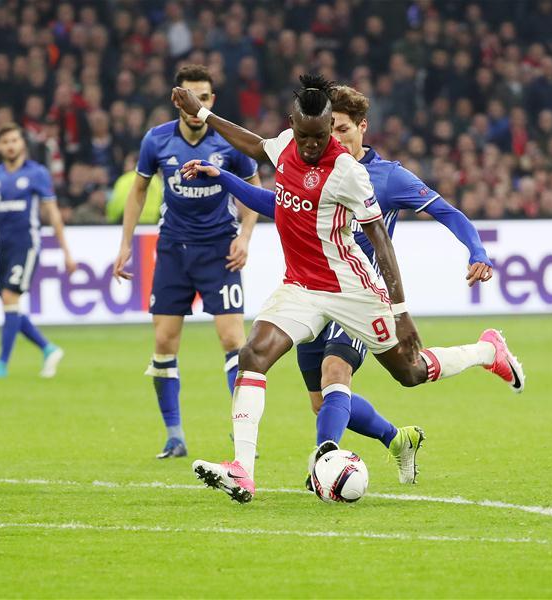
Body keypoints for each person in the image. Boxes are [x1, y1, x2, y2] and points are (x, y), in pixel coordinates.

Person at [173, 73, 524, 504]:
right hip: (301, 287)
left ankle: (487, 351)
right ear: (293, 125)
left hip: (352, 290)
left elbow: (380, 238)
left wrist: (401, 311)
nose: (312, 146)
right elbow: (257, 151)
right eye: (306, 136)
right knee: (254, 354)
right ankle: (242, 470)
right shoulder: (286, 145)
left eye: (324, 135)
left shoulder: (350, 173)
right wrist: (203, 116)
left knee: (409, 372)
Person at [112, 65, 260, 460]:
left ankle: (242, 432)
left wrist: (245, 236)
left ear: (213, 100)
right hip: (173, 251)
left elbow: (254, 190)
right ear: (177, 99)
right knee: (163, 341)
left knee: (234, 341)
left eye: (204, 97)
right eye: (190, 96)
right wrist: (125, 243)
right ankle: (174, 436)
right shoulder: (156, 139)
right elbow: (138, 190)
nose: (197, 104)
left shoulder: (229, 140)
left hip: (219, 251)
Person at [0, 122, 75, 379]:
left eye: (14, 140)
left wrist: (66, 252)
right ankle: (48, 348)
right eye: (5, 142)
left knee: (10, 297)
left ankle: (1, 365)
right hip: (3, 247)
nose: (10, 145)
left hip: (26, 245)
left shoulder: (37, 173)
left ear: (22, 143)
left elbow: (52, 213)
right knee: (9, 304)